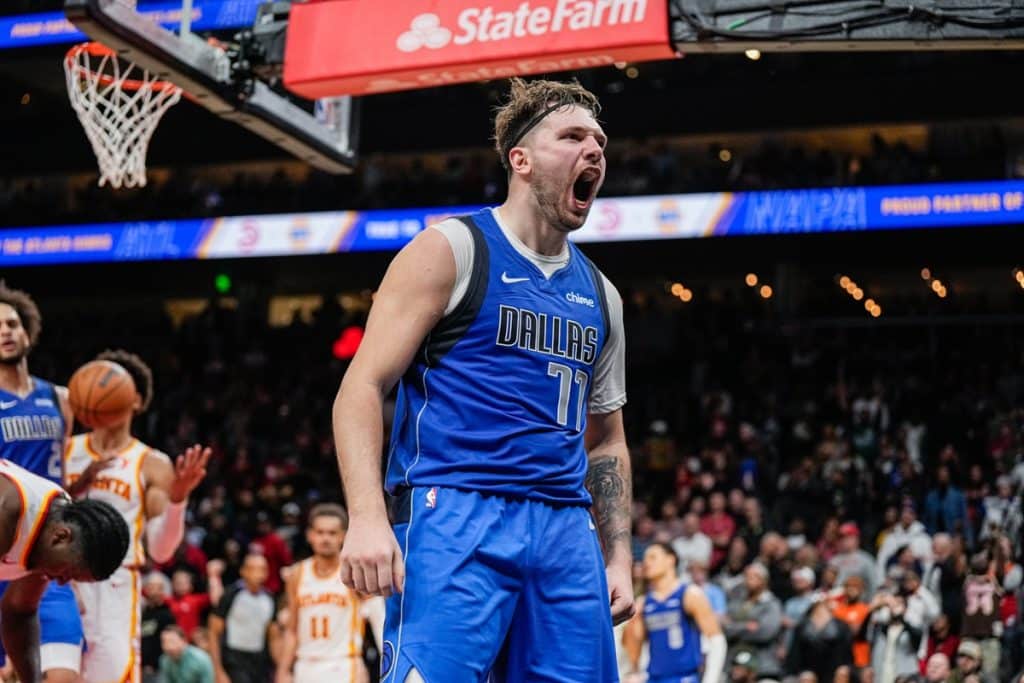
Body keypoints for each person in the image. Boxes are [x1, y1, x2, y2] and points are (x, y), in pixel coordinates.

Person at [332, 78, 630, 682]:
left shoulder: (603, 294)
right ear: (520, 159)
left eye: (599, 142)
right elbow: (361, 387)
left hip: (566, 528)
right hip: (455, 510)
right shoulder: (451, 249)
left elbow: (607, 441)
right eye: (572, 137)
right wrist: (365, 516)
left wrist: (619, 556)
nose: (594, 151)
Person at [63, 349, 211, 683]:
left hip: (114, 583)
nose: (101, 388)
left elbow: (161, 550)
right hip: (59, 578)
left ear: (137, 399)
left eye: (113, 383)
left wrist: (177, 502)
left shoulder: (151, 463)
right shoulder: (65, 448)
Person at [0, 282, 83, 682]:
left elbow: (59, 476)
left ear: (27, 332)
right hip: (3, 544)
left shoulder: (60, 399)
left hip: (46, 553)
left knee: (65, 675)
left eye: (12, 323)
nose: (5, 331)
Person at [0, 457, 129, 683]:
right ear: (61, 537)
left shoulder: (52, 530)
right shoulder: (7, 513)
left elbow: (20, 612)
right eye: (67, 573)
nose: (61, 582)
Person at [276, 503, 385, 683]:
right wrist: (283, 670)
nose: (325, 538)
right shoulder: (297, 574)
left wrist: (387, 662)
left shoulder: (354, 571)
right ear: (310, 535)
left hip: (343, 664)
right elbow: (292, 630)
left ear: (343, 536)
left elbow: (378, 618)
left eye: (332, 533)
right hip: (305, 665)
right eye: (320, 532)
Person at [623, 543, 726, 683]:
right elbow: (633, 647)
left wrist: (710, 680)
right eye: (645, 558)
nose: (646, 562)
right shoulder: (643, 603)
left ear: (670, 560)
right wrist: (634, 672)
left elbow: (716, 640)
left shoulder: (689, 594)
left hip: (684, 677)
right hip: (653, 678)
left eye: (653, 557)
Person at [208, 553, 276, 683]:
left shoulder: (269, 599)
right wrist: (218, 670)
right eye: (253, 568)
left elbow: (273, 637)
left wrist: (281, 669)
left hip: (259, 661)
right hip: (233, 659)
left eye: (262, 569)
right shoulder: (231, 595)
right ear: (243, 571)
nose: (258, 573)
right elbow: (213, 633)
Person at [723, 563, 783, 680]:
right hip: (733, 664)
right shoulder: (737, 600)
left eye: (753, 577)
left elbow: (765, 632)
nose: (747, 580)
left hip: (762, 666)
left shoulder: (772, 604)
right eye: (746, 576)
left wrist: (735, 627)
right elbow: (725, 627)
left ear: (763, 581)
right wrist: (746, 626)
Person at [141, 571, 179, 683]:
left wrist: (155, 664)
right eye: (151, 587)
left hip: (160, 669)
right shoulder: (143, 613)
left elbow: (170, 643)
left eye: (158, 587)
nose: (154, 591)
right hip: (142, 668)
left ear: (163, 590)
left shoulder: (167, 614)